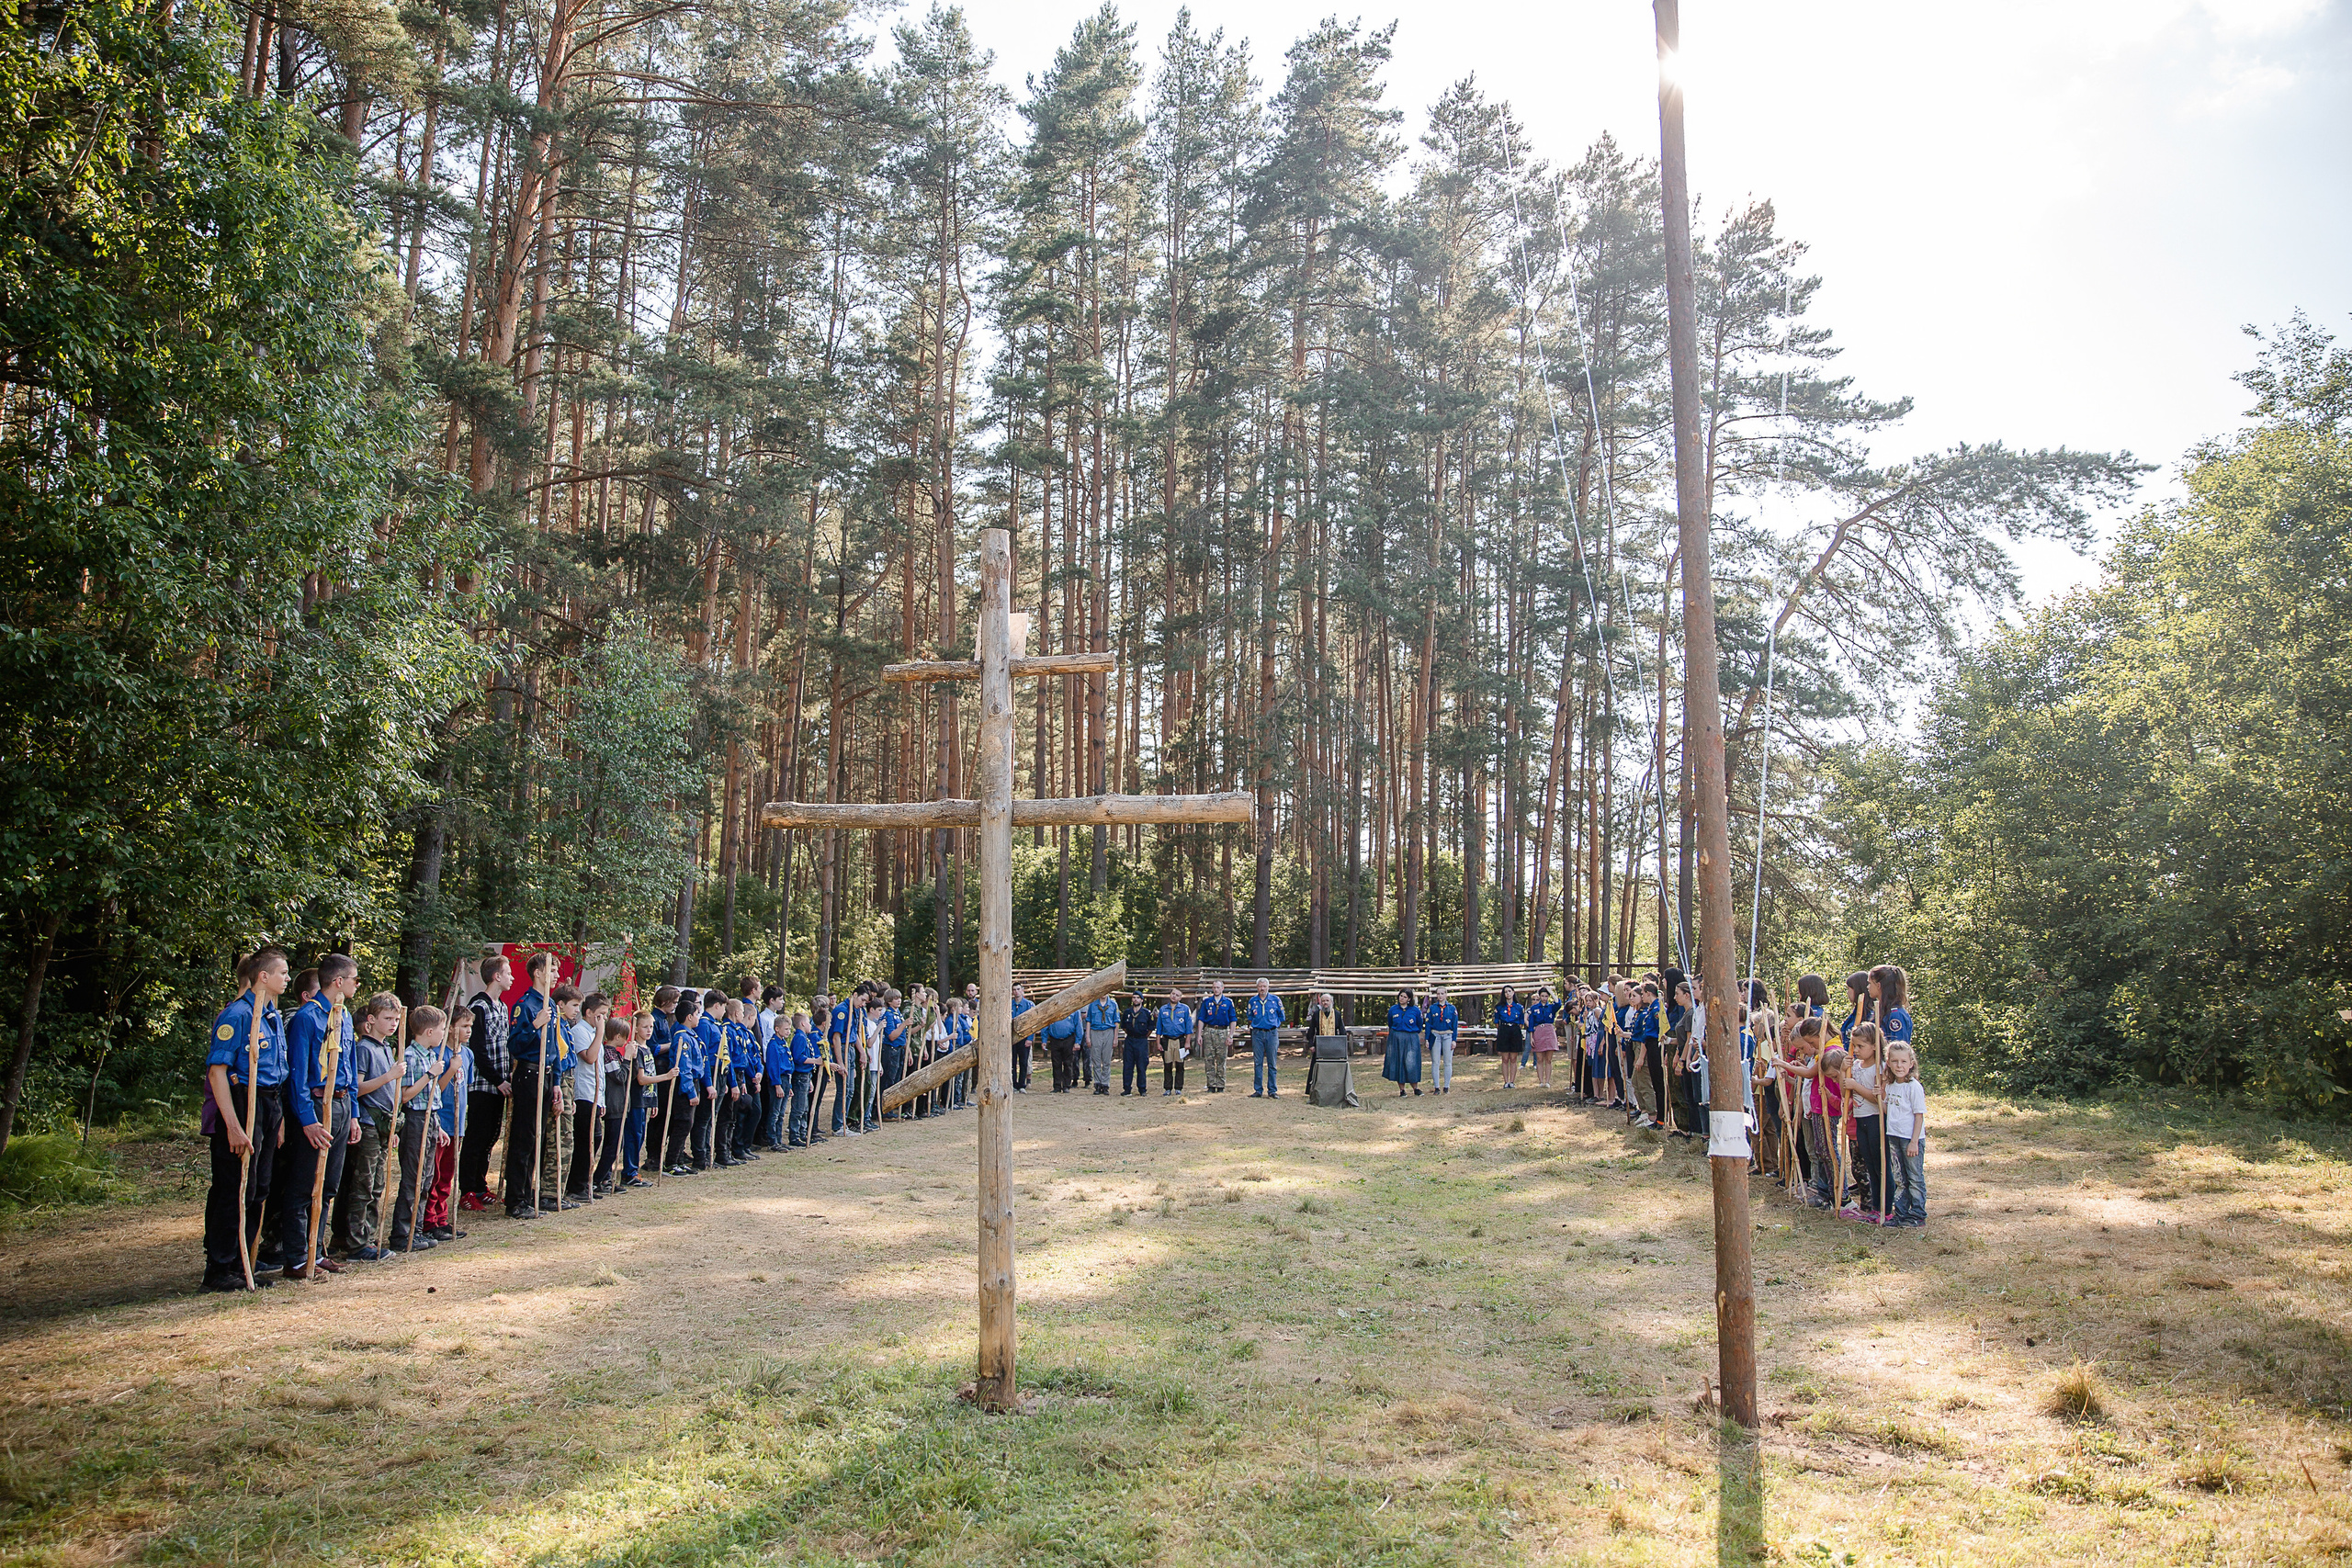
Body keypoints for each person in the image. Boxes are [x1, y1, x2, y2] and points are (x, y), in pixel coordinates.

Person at [201, 949, 290, 1292]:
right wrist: (234, 1126)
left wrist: (278, 1121)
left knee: (258, 1188)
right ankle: (219, 1267)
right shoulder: (237, 1015)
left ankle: (242, 1263)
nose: (287, 978)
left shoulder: (271, 1015)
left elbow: (276, 1072)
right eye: (282, 973)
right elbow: (217, 1072)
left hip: (269, 1105)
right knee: (235, 1188)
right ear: (263, 977)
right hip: (243, 1104)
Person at [269, 953, 360, 1280]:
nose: (357, 985)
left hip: (341, 1104)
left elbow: (349, 1065)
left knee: (328, 1185)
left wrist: (353, 1113)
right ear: (338, 981)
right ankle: (296, 1258)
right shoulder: (308, 1017)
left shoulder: (343, 1014)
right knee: (304, 1185)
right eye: (354, 979)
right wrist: (307, 1120)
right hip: (316, 1106)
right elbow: (296, 1074)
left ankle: (316, 1251)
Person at [331, 991, 404, 1261]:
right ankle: (357, 1242)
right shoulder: (364, 1049)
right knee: (364, 1184)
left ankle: (367, 1237)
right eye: (387, 1018)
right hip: (368, 1123)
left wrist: (393, 1126)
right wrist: (389, 1076)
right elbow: (358, 1088)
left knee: (376, 1184)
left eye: (396, 1019)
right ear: (371, 1020)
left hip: (383, 1124)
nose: (393, 1024)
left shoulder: (385, 1048)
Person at [388, 1004, 450, 1254]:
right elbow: (405, 1095)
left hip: (430, 1117)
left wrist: (438, 1125)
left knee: (426, 1177)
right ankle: (402, 1233)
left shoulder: (431, 1055)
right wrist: (429, 1075)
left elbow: (433, 1097)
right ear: (429, 1031)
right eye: (442, 1029)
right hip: (415, 1119)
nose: (444, 1033)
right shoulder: (411, 1057)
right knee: (413, 1177)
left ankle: (417, 1228)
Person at [458, 955, 512, 1213]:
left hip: (500, 1084)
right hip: (483, 1085)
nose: (512, 977)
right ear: (496, 976)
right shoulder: (478, 1006)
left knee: (491, 1136)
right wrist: (497, 1080)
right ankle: (467, 1189)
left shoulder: (502, 1007)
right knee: (476, 1136)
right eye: (508, 973)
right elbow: (478, 1050)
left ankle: (480, 1186)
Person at [421, 1005, 472, 1242]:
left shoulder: (468, 1054)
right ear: (451, 1028)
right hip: (441, 1122)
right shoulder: (438, 1054)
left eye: (470, 1026)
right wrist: (451, 1069)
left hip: (457, 1124)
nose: (469, 1030)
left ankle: (442, 1219)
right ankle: (429, 1220)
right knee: (434, 1173)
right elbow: (436, 1090)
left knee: (447, 1175)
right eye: (464, 1026)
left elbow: (465, 1089)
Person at [1843, 1021, 1886, 1221]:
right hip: (1860, 1120)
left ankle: (1883, 1207)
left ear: (1875, 1046)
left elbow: (1877, 1099)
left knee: (1879, 1166)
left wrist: (1855, 1085)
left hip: (1875, 1119)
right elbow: (1845, 1090)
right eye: (1855, 1046)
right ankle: (1872, 1207)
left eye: (1861, 1046)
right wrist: (1843, 1071)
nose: (1857, 1050)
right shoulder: (1856, 1066)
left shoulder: (1880, 1068)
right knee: (1868, 1164)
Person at [1882, 1042, 1927, 1227]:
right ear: (1888, 1063)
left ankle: (1917, 1214)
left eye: (1903, 1062)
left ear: (1911, 1064)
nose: (1899, 1066)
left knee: (1914, 1177)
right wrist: (1879, 1098)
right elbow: (1889, 1109)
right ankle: (1900, 1213)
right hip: (1894, 1136)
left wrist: (1914, 1141)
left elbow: (1919, 1115)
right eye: (1895, 1061)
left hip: (1910, 1138)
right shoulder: (1891, 1086)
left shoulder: (1913, 1087)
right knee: (1900, 1177)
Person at [1246, 978, 1286, 1097]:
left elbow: (1281, 1016)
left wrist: (1272, 1024)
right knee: (1258, 1062)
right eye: (1260, 986)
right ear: (1257, 987)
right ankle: (1258, 1090)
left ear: (1268, 987)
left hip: (1271, 1033)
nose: (1262, 988)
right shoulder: (1252, 1001)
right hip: (1257, 1034)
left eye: (1264, 986)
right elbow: (1250, 1017)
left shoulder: (1275, 1000)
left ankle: (1272, 1090)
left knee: (1272, 1062)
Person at [1382, 987, 1424, 1097]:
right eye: (1401, 996)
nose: (1402, 998)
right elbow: (1390, 1023)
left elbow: (1419, 1025)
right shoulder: (1393, 1009)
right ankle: (1402, 1090)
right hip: (1396, 1037)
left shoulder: (1415, 1010)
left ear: (1409, 999)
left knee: (1411, 1062)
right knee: (1398, 1062)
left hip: (1411, 1037)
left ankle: (1416, 1088)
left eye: (1405, 997)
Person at [1197, 981, 1236, 1093]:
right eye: (1214, 987)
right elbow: (1201, 1019)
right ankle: (1210, 1085)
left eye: (1218, 987)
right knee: (1209, 1059)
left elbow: (1233, 1020)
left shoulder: (1228, 1002)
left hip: (1222, 1031)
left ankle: (1220, 1085)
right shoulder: (1207, 1002)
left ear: (1222, 988)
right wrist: (1199, 1034)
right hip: (1209, 1031)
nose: (1216, 989)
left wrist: (1230, 1035)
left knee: (1221, 1059)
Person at [1155, 989, 1194, 1096]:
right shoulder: (1163, 1009)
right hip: (1167, 1040)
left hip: (1180, 1040)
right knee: (1167, 1065)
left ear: (1180, 998)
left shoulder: (1185, 1009)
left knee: (1180, 1065)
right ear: (1170, 995)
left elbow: (1189, 1027)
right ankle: (1167, 1088)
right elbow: (1159, 1028)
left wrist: (1187, 1042)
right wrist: (1158, 1043)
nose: (1174, 996)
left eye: (1177, 995)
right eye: (1173, 994)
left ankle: (1178, 1088)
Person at [1424, 986, 1459, 1096]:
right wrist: (1427, 1038)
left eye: (1442, 993)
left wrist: (1454, 1040)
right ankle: (1436, 1087)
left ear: (1446, 995)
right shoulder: (1432, 1008)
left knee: (1448, 1062)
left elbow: (1455, 1025)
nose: (1440, 996)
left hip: (1448, 1035)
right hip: (1435, 1035)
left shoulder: (1452, 1008)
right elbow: (1428, 1024)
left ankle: (1447, 1086)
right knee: (1435, 1062)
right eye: (1438, 994)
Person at [1118, 993, 1155, 1097]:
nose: (1135, 999)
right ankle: (1127, 1089)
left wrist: (1142, 1036)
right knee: (1128, 1065)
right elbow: (1124, 1027)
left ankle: (1142, 1089)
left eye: (1138, 998)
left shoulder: (1147, 1013)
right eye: (1134, 997)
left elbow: (1150, 1028)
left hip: (1141, 1041)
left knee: (1141, 1065)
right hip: (1130, 1040)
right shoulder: (1127, 1012)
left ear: (1142, 1000)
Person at [1084, 991, 1120, 1097]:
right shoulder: (1093, 1005)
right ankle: (1097, 1084)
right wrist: (1088, 1036)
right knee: (1096, 1060)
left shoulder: (1113, 1004)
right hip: (1095, 1032)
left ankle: (1105, 1084)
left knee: (1106, 1060)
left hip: (1108, 1031)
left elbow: (1116, 1022)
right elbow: (1088, 1021)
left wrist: (1115, 1038)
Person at [1527, 985, 1560, 1092]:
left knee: (1548, 1059)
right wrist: (1531, 1037)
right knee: (1539, 1058)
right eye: (1542, 996)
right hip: (1538, 1031)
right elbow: (1531, 1023)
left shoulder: (1551, 1007)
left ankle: (1547, 1081)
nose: (1544, 998)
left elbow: (1558, 1003)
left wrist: (1551, 991)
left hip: (1549, 1030)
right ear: (1539, 996)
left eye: (1546, 996)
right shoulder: (1534, 1008)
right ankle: (1541, 1081)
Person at [1044, 999, 1080, 1092]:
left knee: (1068, 1064)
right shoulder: (1051, 1009)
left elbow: (1078, 1025)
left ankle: (1066, 1086)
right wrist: (1044, 1040)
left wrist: (1078, 1041)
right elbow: (1045, 1025)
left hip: (1068, 1039)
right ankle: (1057, 1086)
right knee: (1056, 1064)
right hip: (1055, 1039)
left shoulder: (1074, 1009)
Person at [1494, 987, 1525, 1090]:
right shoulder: (1499, 1007)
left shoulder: (1519, 1007)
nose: (1508, 993)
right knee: (1505, 1058)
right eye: (1505, 992)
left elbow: (1521, 1022)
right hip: (1504, 1030)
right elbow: (1497, 1022)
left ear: (1513, 992)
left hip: (1515, 1030)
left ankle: (1512, 1081)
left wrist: (1515, 1029)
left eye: (1509, 991)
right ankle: (1506, 1081)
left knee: (1513, 1058)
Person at [1010, 984, 1035, 1093]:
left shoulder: (1029, 1005)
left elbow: (1032, 1023)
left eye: (1018, 989)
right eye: (1014, 990)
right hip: (1011, 1038)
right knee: (1012, 1062)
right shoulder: (1009, 1005)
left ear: (1022, 990)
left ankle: (1022, 1085)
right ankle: (1013, 1084)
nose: (1016, 991)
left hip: (1024, 1037)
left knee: (1023, 1062)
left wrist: (1030, 1038)